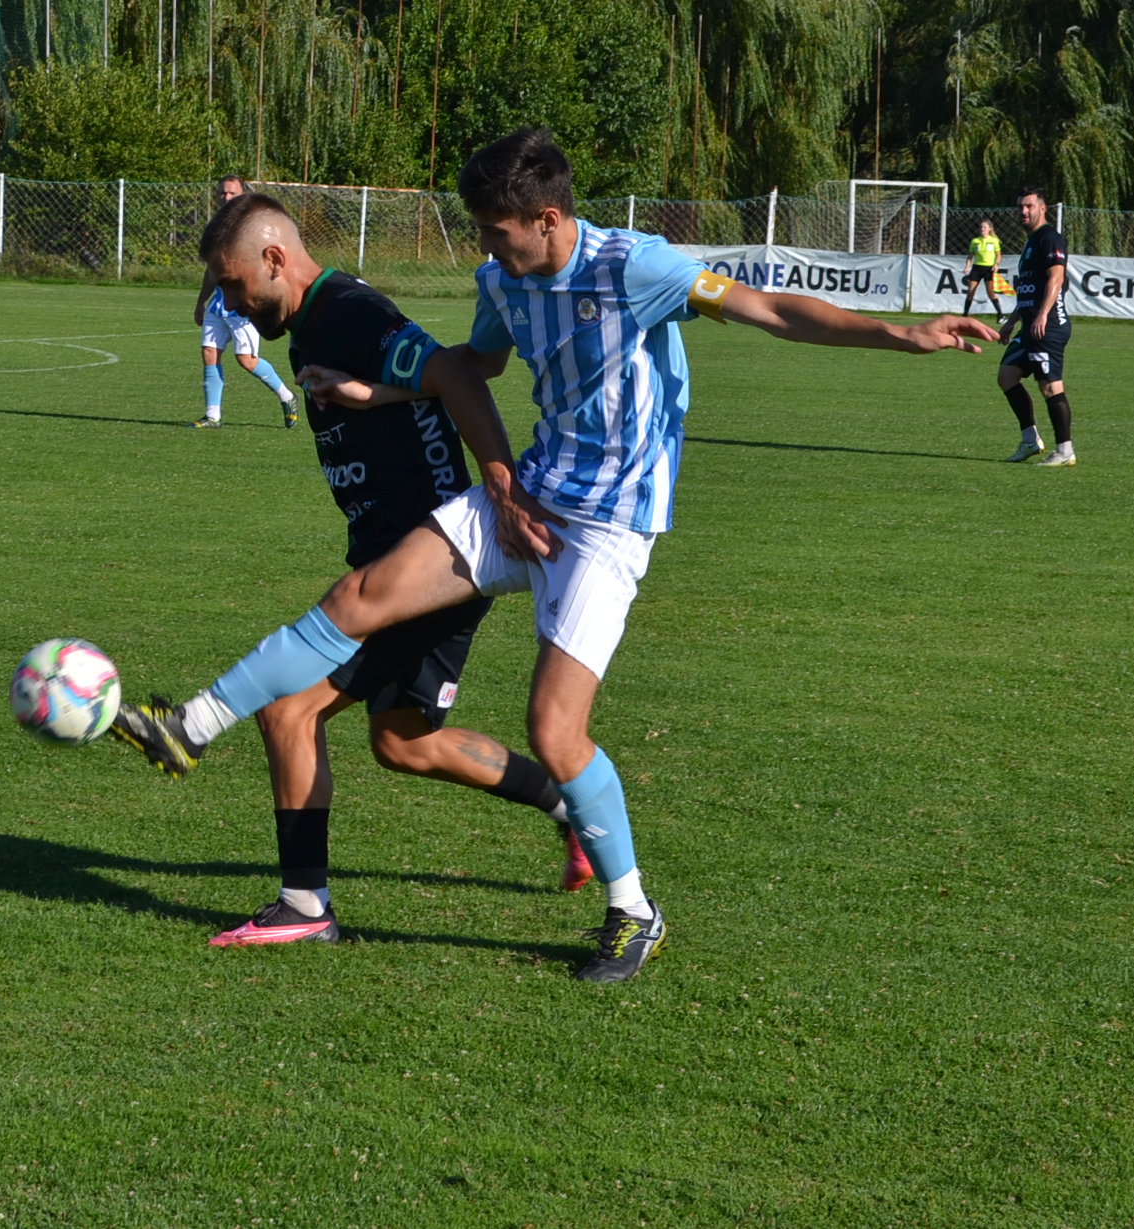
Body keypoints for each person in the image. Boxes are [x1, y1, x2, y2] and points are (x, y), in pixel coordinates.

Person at [115, 128, 997, 983]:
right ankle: (190, 725)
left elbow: (768, 310)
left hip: (609, 525)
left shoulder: (634, 267)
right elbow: (477, 364)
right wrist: (386, 395)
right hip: (527, 495)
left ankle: (633, 909)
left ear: (544, 218)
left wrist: (900, 334)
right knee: (362, 593)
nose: (488, 250)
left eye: (498, 232)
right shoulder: (501, 278)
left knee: (553, 729)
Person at [171, 196, 591, 945]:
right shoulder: (308, 324)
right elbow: (425, 381)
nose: (231, 302)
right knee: (403, 740)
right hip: (400, 559)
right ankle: (571, 805)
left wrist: (499, 490)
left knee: (288, 709)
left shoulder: (345, 312)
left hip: (424, 566)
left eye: (234, 285)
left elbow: (458, 375)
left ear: (274, 259)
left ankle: (303, 905)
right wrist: (370, 395)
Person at [191, 175, 300, 429]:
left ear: (243, 195)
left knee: (246, 360)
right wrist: (200, 302)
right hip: (218, 305)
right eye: (222, 193)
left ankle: (287, 396)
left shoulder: (255, 226)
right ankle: (212, 416)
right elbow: (212, 270)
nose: (226, 198)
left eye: (232, 193)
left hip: (244, 305)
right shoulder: (216, 228)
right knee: (209, 353)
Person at [997, 186, 1076, 466]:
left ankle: (1065, 451)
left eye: (1029, 206)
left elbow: (1056, 278)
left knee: (1051, 388)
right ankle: (1030, 441)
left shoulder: (1049, 238)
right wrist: (1011, 322)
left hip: (1048, 327)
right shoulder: (1031, 241)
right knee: (1006, 376)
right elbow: (1029, 289)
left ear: (1042, 208)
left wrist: (1043, 314)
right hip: (1028, 326)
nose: (1023, 211)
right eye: (1020, 206)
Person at [961, 221, 1005, 321]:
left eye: (984, 227)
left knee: (990, 293)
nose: (982, 229)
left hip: (988, 269)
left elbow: (998, 255)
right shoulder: (975, 241)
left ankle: (1000, 315)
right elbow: (970, 256)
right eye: (981, 227)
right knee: (970, 292)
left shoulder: (994, 240)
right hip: (977, 268)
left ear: (989, 229)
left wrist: (996, 264)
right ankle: (965, 315)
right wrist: (967, 267)